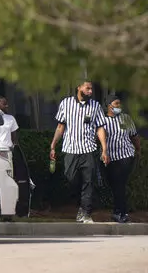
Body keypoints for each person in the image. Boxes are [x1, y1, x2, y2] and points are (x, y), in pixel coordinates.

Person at [49, 79, 109, 223]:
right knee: (71, 179)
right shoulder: (66, 103)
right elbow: (60, 127)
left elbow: (100, 128)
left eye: (91, 89)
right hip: (70, 149)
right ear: (79, 87)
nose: (90, 91)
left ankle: (86, 212)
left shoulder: (95, 106)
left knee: (88, 182)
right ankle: (79, 205)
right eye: (87, 88)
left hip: (88, 150)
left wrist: (104, 149)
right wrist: (52, 145)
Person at [103, 94, 141, 223]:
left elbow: (134, 136)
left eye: (120, 103)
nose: (119, 106)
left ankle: (122, 212)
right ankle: (117, 211)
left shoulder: (125, 118)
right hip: (110, 157)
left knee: (120, 183)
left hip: (125, 155)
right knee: (114, 185)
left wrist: (138, 149)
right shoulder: (103, 121)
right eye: (116, 104)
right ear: (109, 106)